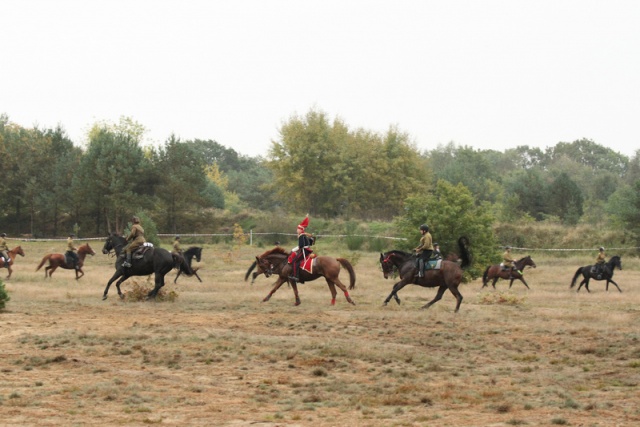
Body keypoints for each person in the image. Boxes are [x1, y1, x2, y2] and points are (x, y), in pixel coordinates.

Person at [289, 214, 314, 282]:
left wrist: (293, 250)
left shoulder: (301, 236)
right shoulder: (303, 235)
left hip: (304, 251)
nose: (297, 230)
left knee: (294, 261)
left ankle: (295, 276)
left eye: (298, 229)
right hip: (306, 250)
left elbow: (301, 246)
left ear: (300, 230)